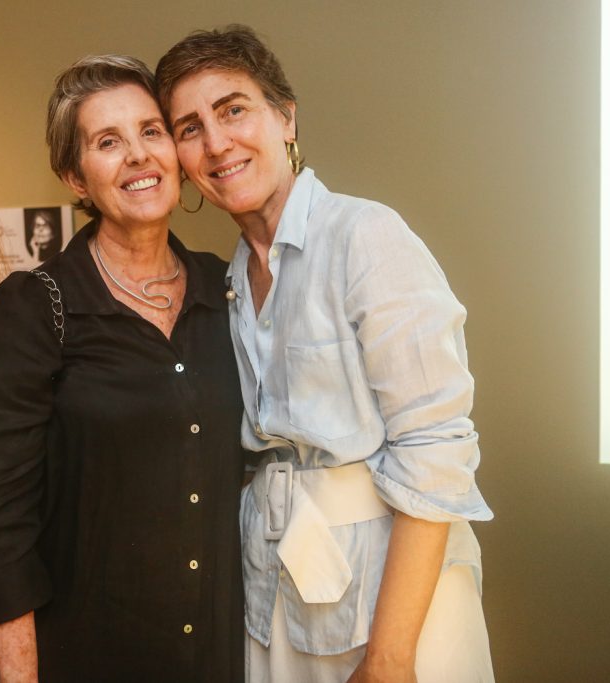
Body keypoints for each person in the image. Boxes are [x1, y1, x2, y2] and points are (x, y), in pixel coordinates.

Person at [156, 25, 495, 683]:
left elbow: (437, 446)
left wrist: (391, 656)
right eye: (189, 127)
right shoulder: (226, 282)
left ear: (286, 118)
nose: (217, 141)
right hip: (279, 591)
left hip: (395, 604)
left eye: (233, 109)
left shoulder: (365, 236)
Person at [0, 55, 245, 682]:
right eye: (108, 142)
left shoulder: (228, 290)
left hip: (211, 661)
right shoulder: (37, 305)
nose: (138, 155)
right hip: (79, 658)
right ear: (76, 178)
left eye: (151, 131)